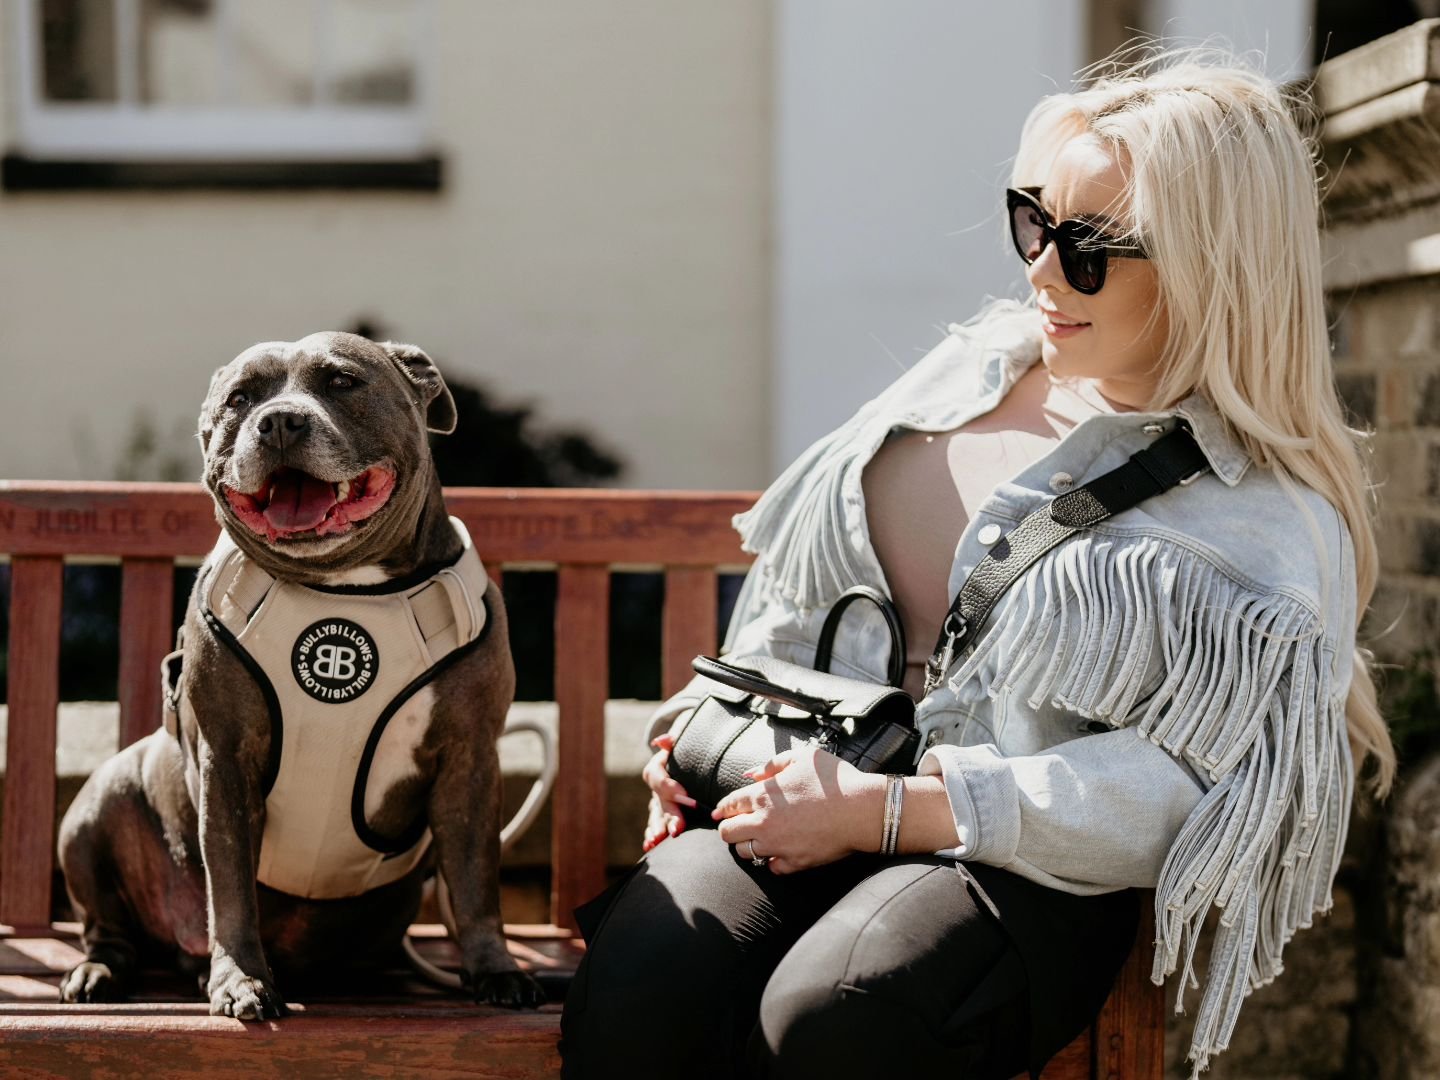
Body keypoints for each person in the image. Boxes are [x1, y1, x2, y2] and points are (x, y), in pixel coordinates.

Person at [558, 40, 1394, 1080]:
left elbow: (1186, 791)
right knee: (643, 979)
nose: (1039, 270)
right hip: (826, 790)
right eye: (1033, 222)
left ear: (1209, 268)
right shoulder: (967, 371)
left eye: (1086, 248)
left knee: (838, 1015)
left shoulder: (1262, 519)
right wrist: (706, 741)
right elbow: (802, 583)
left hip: (1016, 866)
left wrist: (897, 812)